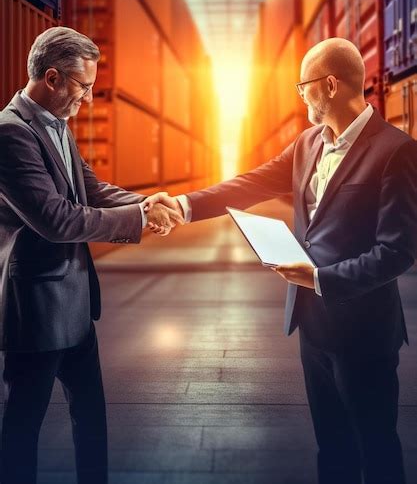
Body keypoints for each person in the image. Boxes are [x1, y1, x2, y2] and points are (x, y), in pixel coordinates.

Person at [144, 37, 417, 484]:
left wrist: (320, 277)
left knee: (376, 445)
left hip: (365, 331)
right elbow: (250, 184)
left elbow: (398, 251)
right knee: (332, 448)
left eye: (303, 85)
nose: (300, 94)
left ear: (329, 85)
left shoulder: (395, 151)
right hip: (313, 326)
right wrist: (182, 205)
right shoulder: (308, 142)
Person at [0, 26, 183, 484]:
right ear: (53, 78)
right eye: (84, 87)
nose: (89, 99)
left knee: (92, 421)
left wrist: (144, 203)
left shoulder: (57, 126)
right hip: (39, 310)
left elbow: (92, 190)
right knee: (23, 425)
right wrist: (139, 221)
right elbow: (57, 219)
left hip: (76, 306)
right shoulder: (10, 134)